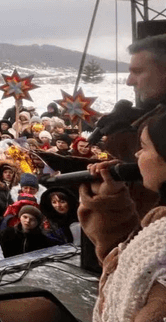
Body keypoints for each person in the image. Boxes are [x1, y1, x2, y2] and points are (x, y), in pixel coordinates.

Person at [79, 113, 166, 321]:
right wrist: (110, 196)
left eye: (144, 147)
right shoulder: (159, 223)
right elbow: (124, 265)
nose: (136, 155)